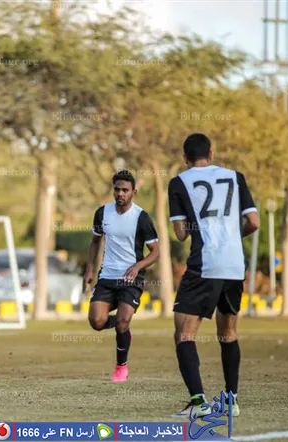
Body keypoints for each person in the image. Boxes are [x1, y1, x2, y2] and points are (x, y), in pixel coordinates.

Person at [167, 133, 259, 417]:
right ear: (211, 153)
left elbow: (181, 233)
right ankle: (231, 401)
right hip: (234, 264)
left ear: (185, 158)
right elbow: (254, 222)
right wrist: (231, 236)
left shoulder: (179, 182)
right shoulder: (235, 177)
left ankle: (198, 403)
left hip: (205, 264)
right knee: (228, 333)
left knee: (184, 333)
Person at [83, 169, 160, 383]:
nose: (120, 194)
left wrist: (138, 266)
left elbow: (156, 252)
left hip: (131, 279)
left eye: (125, 190)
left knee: (122, 323)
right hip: (107, 276)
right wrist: (89, 270)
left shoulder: (142, 218)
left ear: (134, 192)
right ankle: (121, 325)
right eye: (117, 189)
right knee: (96, 321)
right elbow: (95, 242)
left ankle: (121, 367)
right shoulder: (102, 213)